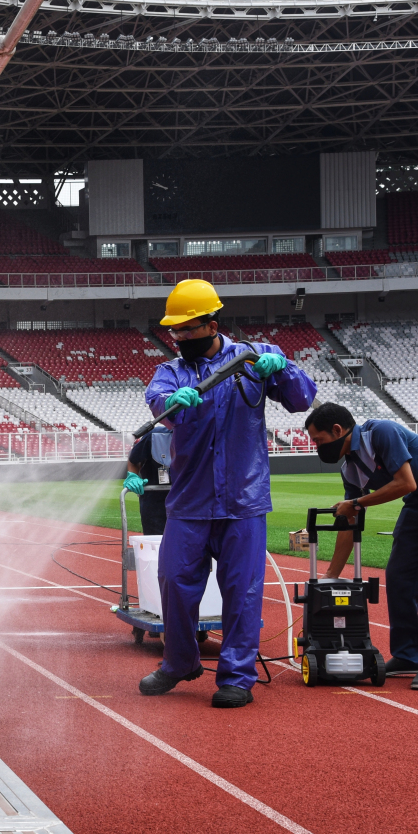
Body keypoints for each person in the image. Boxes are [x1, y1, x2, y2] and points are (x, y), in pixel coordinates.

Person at [137, 281, 317, 708]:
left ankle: (237, 677)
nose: (179, 338)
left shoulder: (254, 357)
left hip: (243, 500)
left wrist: (283, 369)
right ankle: (180, 662)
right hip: (189, 501)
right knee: (174, 584)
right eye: (175, 331)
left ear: (212, 326)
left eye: (187, 329)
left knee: (243, 592)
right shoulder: (170, 372)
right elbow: (157, 400)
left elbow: (302, 399)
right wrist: (172, 401)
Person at [305, 403, 418, 691]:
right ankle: (408, 654)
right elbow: (350, 519)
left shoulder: (381, 432)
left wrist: (356, 502)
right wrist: (331, 575)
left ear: (337, 430)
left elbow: (405, 483)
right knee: (399, 579)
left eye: (318, 440)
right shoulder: (350, 469)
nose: (316, 447)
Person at [123, 426, 171, 536]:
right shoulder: (155, 435)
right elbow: (133, 460)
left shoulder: (204, 435)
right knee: (156, 543)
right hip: (156, 506)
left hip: (189, 504)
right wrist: (133, 476)